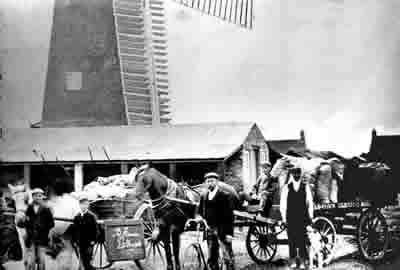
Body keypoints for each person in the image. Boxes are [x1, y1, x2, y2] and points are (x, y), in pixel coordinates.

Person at [197, 172, 235, 270]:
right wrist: (199, 217)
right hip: (209, 229)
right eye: (208, 181)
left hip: (222, 230)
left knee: (227, 257)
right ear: (205, 183)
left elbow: (230, 217)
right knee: (212, 257)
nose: (210, 183)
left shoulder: (225, 195)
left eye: (212, 181)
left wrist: (229, 234)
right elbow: (199, 211)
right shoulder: (203, 196)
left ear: (217, 182)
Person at [280, 167, 313, 269]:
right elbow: (283, 204)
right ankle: (293, 260)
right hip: (291, 217)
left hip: (302, 216)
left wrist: (310, 216)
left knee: (302, 239)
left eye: (298, 174)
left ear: (300, 175)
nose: (296, 176)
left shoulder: (305, 187)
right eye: (294, 174)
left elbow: (309, 202)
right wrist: (284, 219)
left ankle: (303, 261)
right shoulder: (287, 187)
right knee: (292, 239)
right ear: (291, 175)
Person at [23, 188, 55, 270]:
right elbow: (26, 222)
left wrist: (48, 235)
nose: (38, 197)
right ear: (33, 197)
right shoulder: (29, 208)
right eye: (36, 196)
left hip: (42, 237)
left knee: (41, 259)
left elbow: (51, 224)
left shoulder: (46, 208)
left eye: (39, 196)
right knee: (32, 259)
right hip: (31, 237)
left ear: (42, 197)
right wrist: (27, 230)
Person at [73, 194, 98, 270]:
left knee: (87, 260)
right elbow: (75, 230)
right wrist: (75, 241)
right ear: (79, 205)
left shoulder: (92, 216)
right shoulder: (77, 217)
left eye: (85, 204)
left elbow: (95, 230)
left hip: (89, 242)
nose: (83, 206)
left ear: (88, 205)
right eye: (82, 204)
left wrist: (93, 240)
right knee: (82, 259)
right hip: (80, 242)